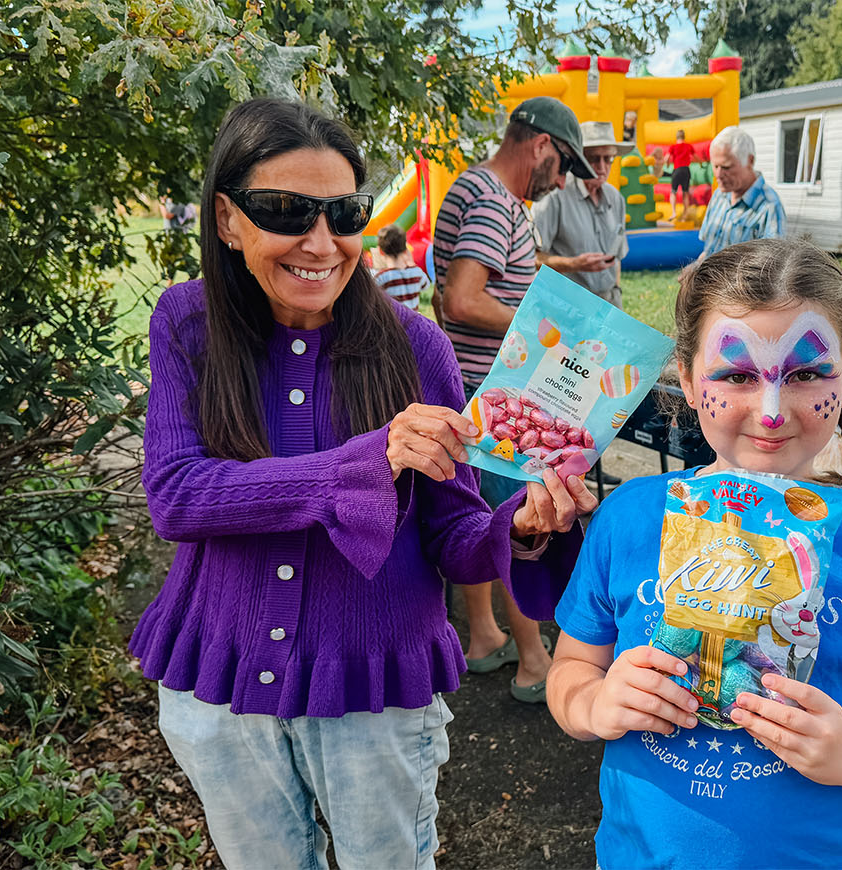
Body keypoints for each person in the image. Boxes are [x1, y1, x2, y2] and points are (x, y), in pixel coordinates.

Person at [131, 98, 595, 869]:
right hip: (222, 683)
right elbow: (176, 495)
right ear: (226, 219)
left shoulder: (417, 347)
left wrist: (518, 526)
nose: (321, 242)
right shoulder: (188, 322)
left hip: (374, 691)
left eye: (344, 214)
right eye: (286, 211)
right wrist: (363, 462)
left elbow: (455, 536)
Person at [546, 238, 842, 870]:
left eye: (805, 375)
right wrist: (593, 703)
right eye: (737, 375)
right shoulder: (629, 519)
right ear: (688, 379)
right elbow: (570, 670)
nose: (771, 412)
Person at [434, 95, 596, 702]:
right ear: (542, 145)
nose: (562, 181)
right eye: (564, 165)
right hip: (496, 399)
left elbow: (478, 279)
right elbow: (463, 298)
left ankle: (483, 637)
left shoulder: (476, 190)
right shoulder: (492, 201)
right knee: (518, 523)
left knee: (474, 512)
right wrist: (547, 335)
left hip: (473, 389)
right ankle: (533, 660)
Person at [533, 121, 631, 310]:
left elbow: (616, 259)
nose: (602, 167)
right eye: (594, 158)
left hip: (608, 305)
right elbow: (532, 258)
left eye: (608, 159)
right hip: (565, 308)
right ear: (578, 160)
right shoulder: (554, 196)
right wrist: (574, 264)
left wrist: (616, 291)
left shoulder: (615, 198)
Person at [698, 126, 786, 258]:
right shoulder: (719, 195)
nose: (718, 174)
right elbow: (708, 250)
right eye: (715, 166)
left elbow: (773, 267)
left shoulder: (770, 207)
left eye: (726, 167)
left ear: (750, 161)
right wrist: (694, 267)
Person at [372, 223, 430, 312]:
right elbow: (425, 285)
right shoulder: (416, 273)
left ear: (380, 251)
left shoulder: (381, 278)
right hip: (413, 319)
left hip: (393, 320)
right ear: (405, 249)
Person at [665, 129, 695, 221]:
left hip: (677, 170)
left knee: (673, 192)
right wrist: (702, 163)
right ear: (684, 137)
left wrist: (667, 164)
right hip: (686, 170)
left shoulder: (673, 147)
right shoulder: (688, 146)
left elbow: (667, 158)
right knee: (685, 193)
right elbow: (695, 156)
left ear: (676, 137)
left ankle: (674, 212)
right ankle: (685, 214)